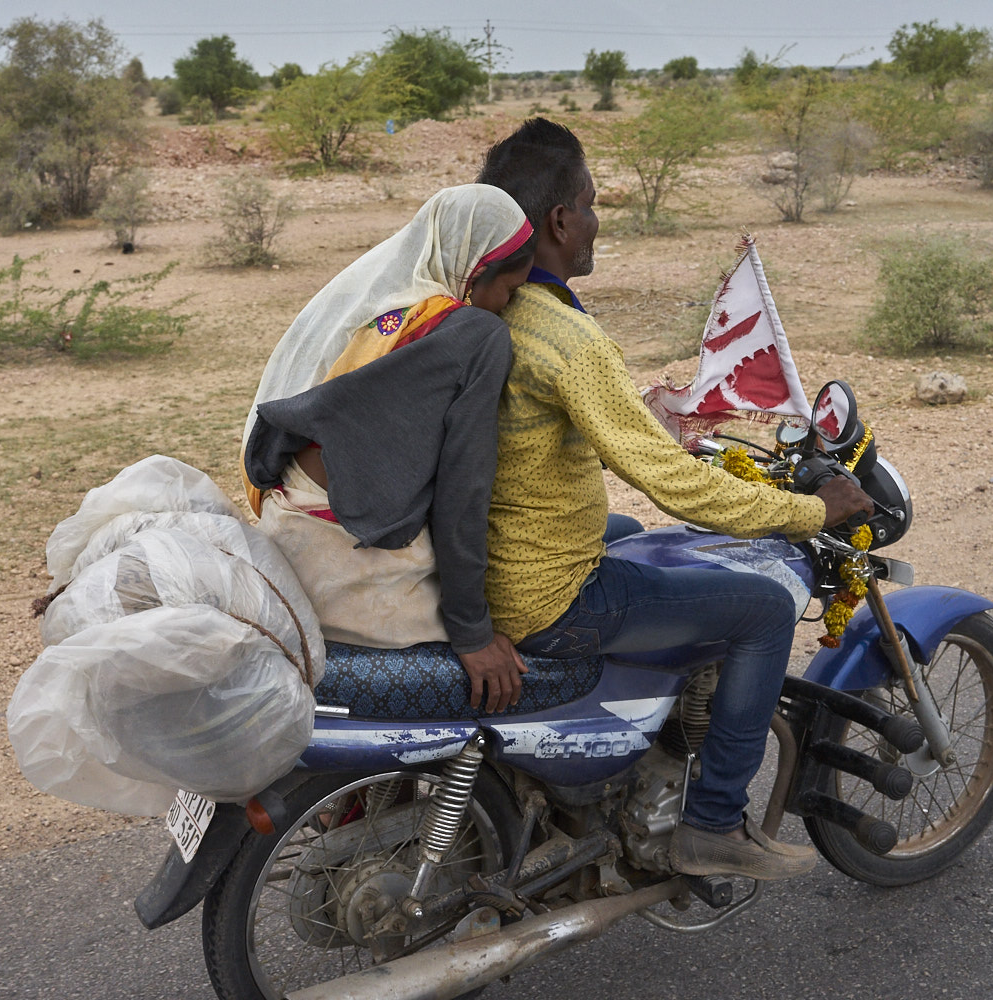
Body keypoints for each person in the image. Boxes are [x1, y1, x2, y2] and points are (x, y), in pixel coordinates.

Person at [475, 119, 874, 881]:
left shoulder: (497, 304)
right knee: (757, 608)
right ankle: (716, 821)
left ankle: (633, 746)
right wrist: (812, 512)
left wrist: (642, 421)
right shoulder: (568, 339)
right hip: (544, 594)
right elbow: (671, 482)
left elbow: (544, 428)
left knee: (624, 530)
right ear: (560, 221)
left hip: (495, 552)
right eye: (590, 205)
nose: (596, 221)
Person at [243, 184, 536, 713]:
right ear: (474, 271)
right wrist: (473, 633)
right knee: (525, 648)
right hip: (350, 577)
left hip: (286, 535)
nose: (508, 307)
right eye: (510, 291)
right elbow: (463, 495)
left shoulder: (378, 302)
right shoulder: (473, 334)